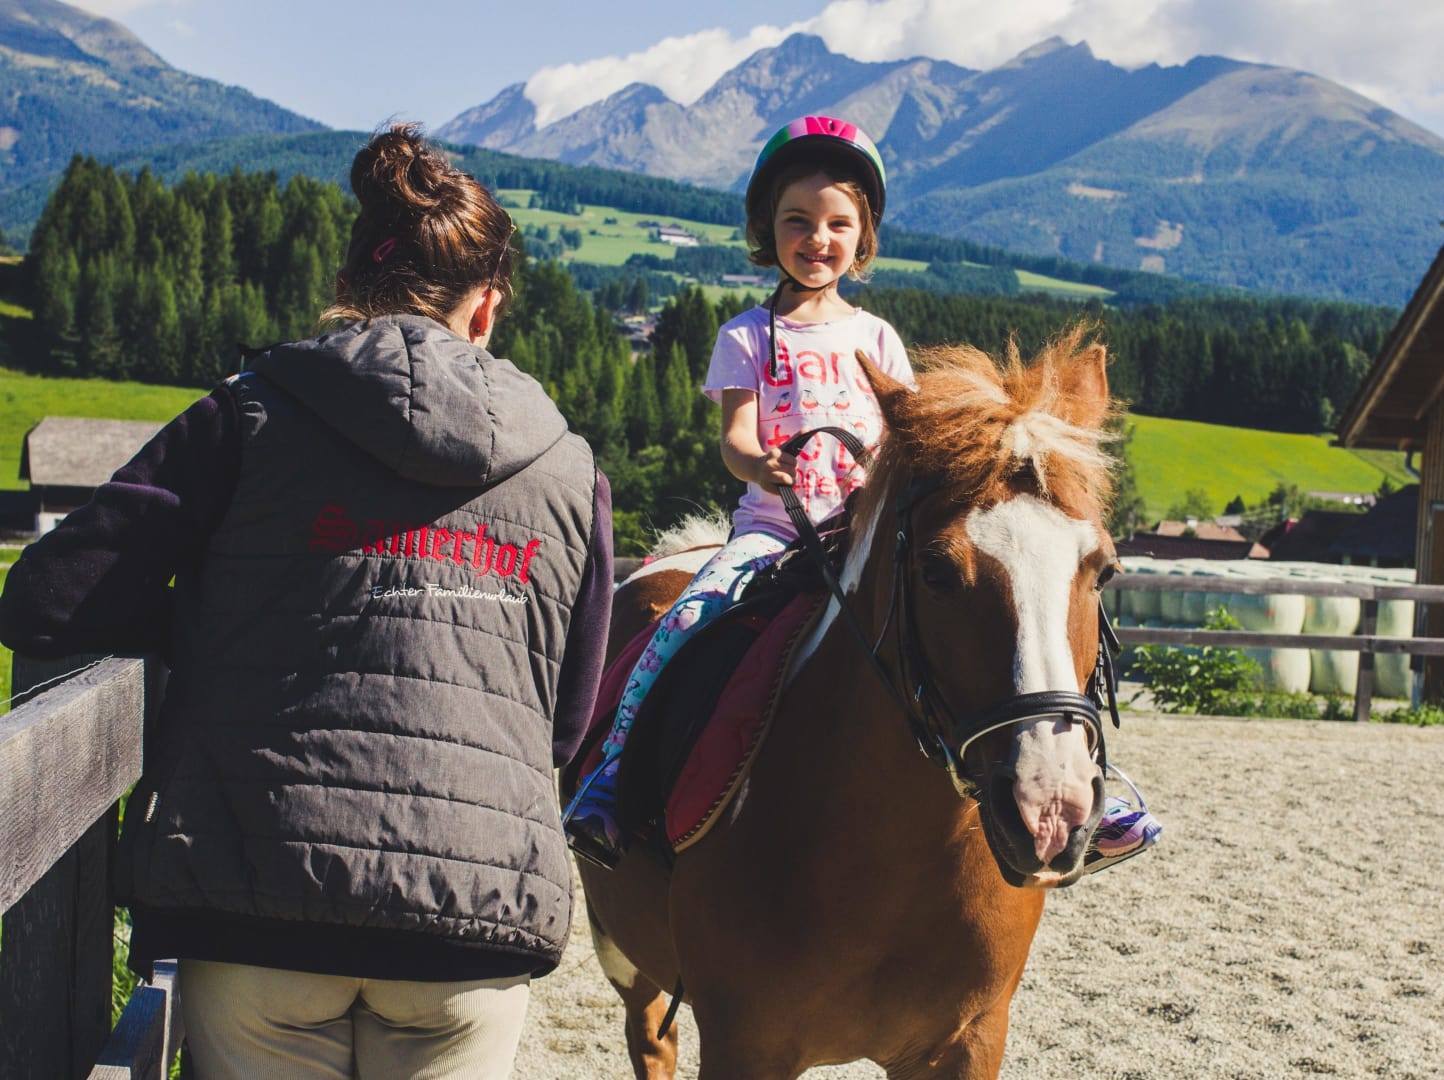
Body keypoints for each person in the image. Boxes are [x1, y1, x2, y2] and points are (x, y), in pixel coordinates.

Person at [0, 123, 613, 1079]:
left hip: (259, 897)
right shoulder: (572, 470)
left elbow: (46, 597)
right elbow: (566, 722)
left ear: (348, 287)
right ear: (487, 307)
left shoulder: (247, 414)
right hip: (469, 921)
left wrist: (214, 624)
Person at [563, 115, 915, 868]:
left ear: (862, 237)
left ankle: (1070, 780)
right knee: (687, 617)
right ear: (768, 228)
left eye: (838, 224)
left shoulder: (880, 338)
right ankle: (610, 773)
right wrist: (761, 467)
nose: (817, 238)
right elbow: (735, 438)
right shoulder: (747, 335)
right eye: (798, 220)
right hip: (773, 532)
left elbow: (900, 438)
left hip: (863, 533)